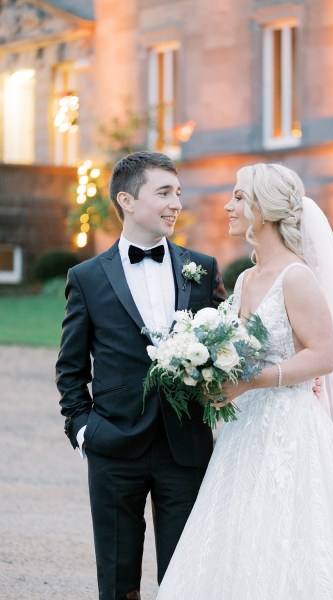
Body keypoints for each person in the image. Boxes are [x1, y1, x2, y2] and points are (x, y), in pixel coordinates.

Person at [156, 163, 333, 599]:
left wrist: (254, 382)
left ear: (263, 211)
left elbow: (324, 355)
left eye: (237, 197)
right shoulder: (246, 279)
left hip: (290, 430)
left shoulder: (297, 277)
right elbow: (236, 350)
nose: (228, 206)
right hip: (241, 432)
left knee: (292, 532)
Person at [55, 151, 227, 600]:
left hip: (184, 446)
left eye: (179, 193)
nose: (176, 203)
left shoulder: (202, 269)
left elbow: (226, 347)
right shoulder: (87, 277)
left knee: (186, 578)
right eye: (164, 192)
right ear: (127, 200)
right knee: (115, 577)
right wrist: (83, 429)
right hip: (114, 446)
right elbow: (71, 367)